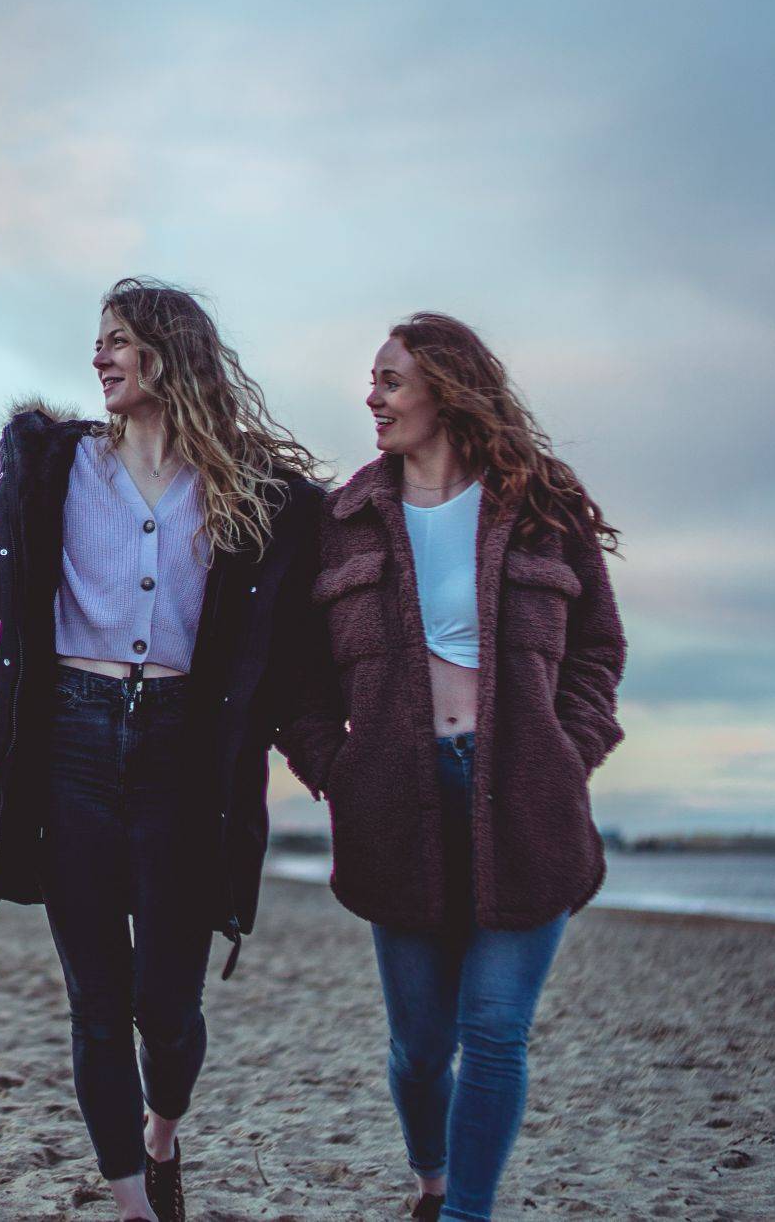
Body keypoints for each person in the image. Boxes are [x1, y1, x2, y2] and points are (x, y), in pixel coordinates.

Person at [0, 279, 339, 1222]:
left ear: (169, 354)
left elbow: (290, 655)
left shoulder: (255, 493)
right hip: (70, 748)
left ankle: (162, 1135)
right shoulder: (52, 468)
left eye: (118, 340)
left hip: (184, 758)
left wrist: (344, 754)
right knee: (95, 1000)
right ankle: (133, 1204)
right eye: (98, 341)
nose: (99, 357)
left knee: (167, 1007)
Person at [298, 313, 626, 1222]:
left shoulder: (541, 505)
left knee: (493, 1032)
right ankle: (431, 1179)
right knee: (418, 1047)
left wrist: (572, 750)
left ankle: (465, 1213)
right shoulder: (346, 519)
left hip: (524, 796)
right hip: (394, 804)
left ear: (447, 387)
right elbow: (297, 675)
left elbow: (597, 649)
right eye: (371, 381)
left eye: (390, 381)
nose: (372, 397)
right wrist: (336, 766)